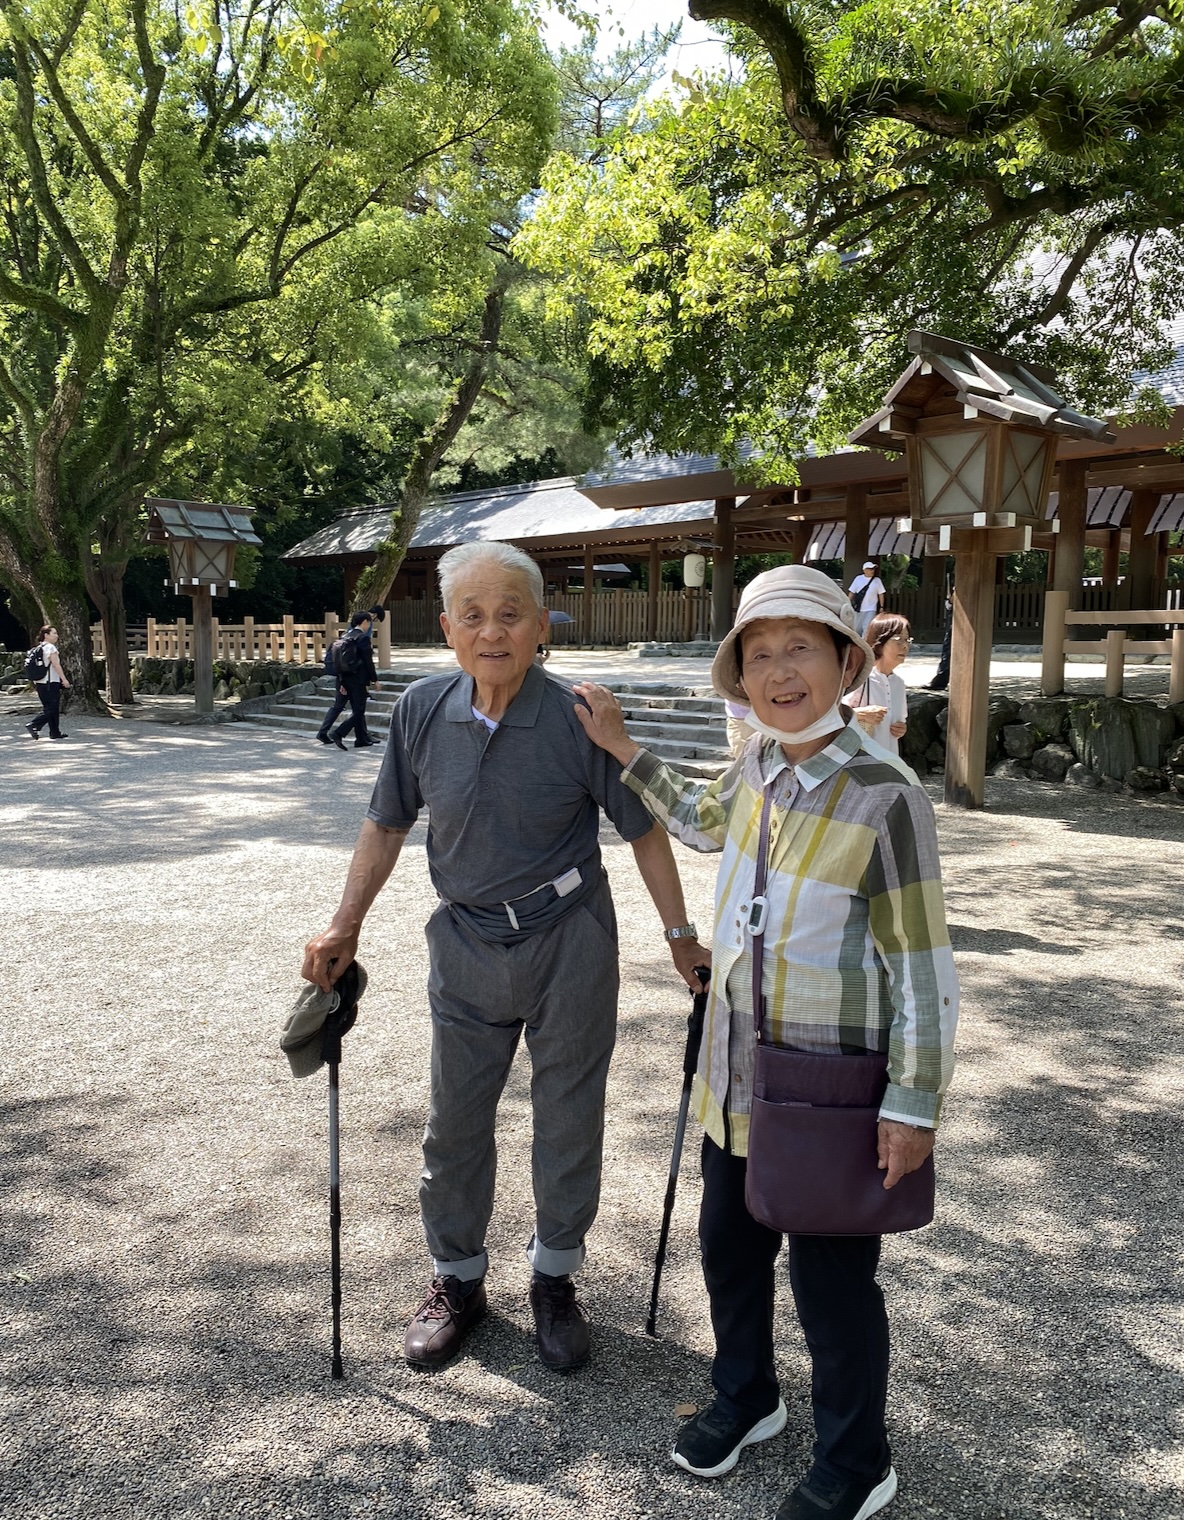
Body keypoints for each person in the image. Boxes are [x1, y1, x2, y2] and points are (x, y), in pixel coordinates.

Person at [573, 565, 958, 1520]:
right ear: (737, 675)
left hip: (831, 1087)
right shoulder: (753, 767)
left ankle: (856, 1461)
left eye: (800, 650)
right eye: (758, 654)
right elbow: (702, 824)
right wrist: (623, 747)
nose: (779, 673)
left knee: (832, 1284)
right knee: (729, 1251)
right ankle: (748, 1396)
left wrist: (912, 1106)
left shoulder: (886, 797)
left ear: (845, 660)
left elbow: (923, 969)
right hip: (734, 1067)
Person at [302, 541, 709, 1374]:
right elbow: (386, 824)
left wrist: (679, 937)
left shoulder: (578, 714)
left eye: (511, 614)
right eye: (475, 616)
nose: (494, 632)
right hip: (465, 941)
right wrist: (345, 924)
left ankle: (554, 1278)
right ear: (449, 628)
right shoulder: (420, 709)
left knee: (568, 1118)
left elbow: (644, 834)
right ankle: (458, 1279)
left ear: (541, 625)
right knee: (454, 1122)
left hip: (570, 939)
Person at [843, 613, 911, 755]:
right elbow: (833, 715)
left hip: (889, 759)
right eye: (898, 639)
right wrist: (860, 713)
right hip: (859, 760)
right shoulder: (861, 678)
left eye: (907, 640)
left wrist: (901, 729)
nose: (905, 646)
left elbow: (900, 721)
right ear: (879, 643)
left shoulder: (898, 683)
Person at [316, 609, 380, 750]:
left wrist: (341, 680)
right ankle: (338, 733)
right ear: (364, 622)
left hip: (343, 678)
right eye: (369, 622)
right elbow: (368, 661)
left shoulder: (344, 636)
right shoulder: (362, 638)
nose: (369, 625)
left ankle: (361, 738)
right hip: (358, 679)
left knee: (353, 708)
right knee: (359, 710)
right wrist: (374, 679)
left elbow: (339, 662)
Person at [25, 624, 71, 741]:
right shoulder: (50, 648)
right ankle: (34, 724)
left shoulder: (38, 648)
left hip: (40, 682)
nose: (57, 636)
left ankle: (55, 732)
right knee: (52, 708)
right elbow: (56, 665)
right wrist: (64, 679)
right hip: (50, 682)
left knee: (50, 707)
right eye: (54, 633)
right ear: (46, 635)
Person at [847, 560, 886, 638]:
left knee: (867, 627)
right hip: (858, 608)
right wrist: (847, 602)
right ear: (864, 570)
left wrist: (881, 606)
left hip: (871, 608)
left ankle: (864, 645)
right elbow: (852, 592)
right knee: (857, 628)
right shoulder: (858, 579)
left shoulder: (877, 581)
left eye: (873, 569)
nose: (872, 571)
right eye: (870, 569)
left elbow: (881, 594)